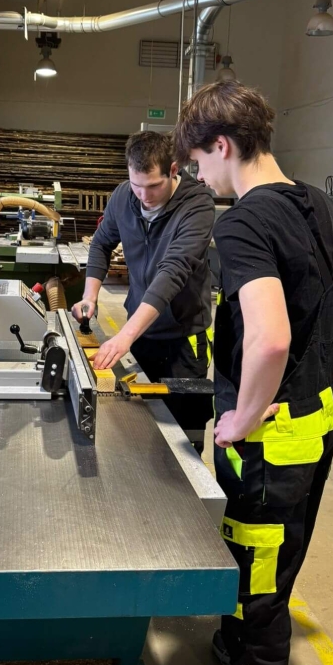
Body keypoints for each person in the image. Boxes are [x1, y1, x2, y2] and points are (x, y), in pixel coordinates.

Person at [172, 80, 333, 665]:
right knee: (276, 559)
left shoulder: (245, 222)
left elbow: (271, 338)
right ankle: (238, 644)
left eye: (198, 162)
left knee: (258, 572)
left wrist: (244, 417)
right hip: (315, 423)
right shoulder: (318, 203)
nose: (200, 178)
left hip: (270, 442)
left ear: (222, 145)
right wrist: (314, 383)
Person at [73, 131, 215, 451]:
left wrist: (124, 336)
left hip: (184, 338)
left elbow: (173, 271)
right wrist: (89, 296)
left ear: (173, 170)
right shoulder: (124, 196)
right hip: (142, 334)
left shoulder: (197, 205)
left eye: (153, 186)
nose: (143, 195)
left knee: (184, 433)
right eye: (136, 185)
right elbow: (101, 244)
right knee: (138, 419)